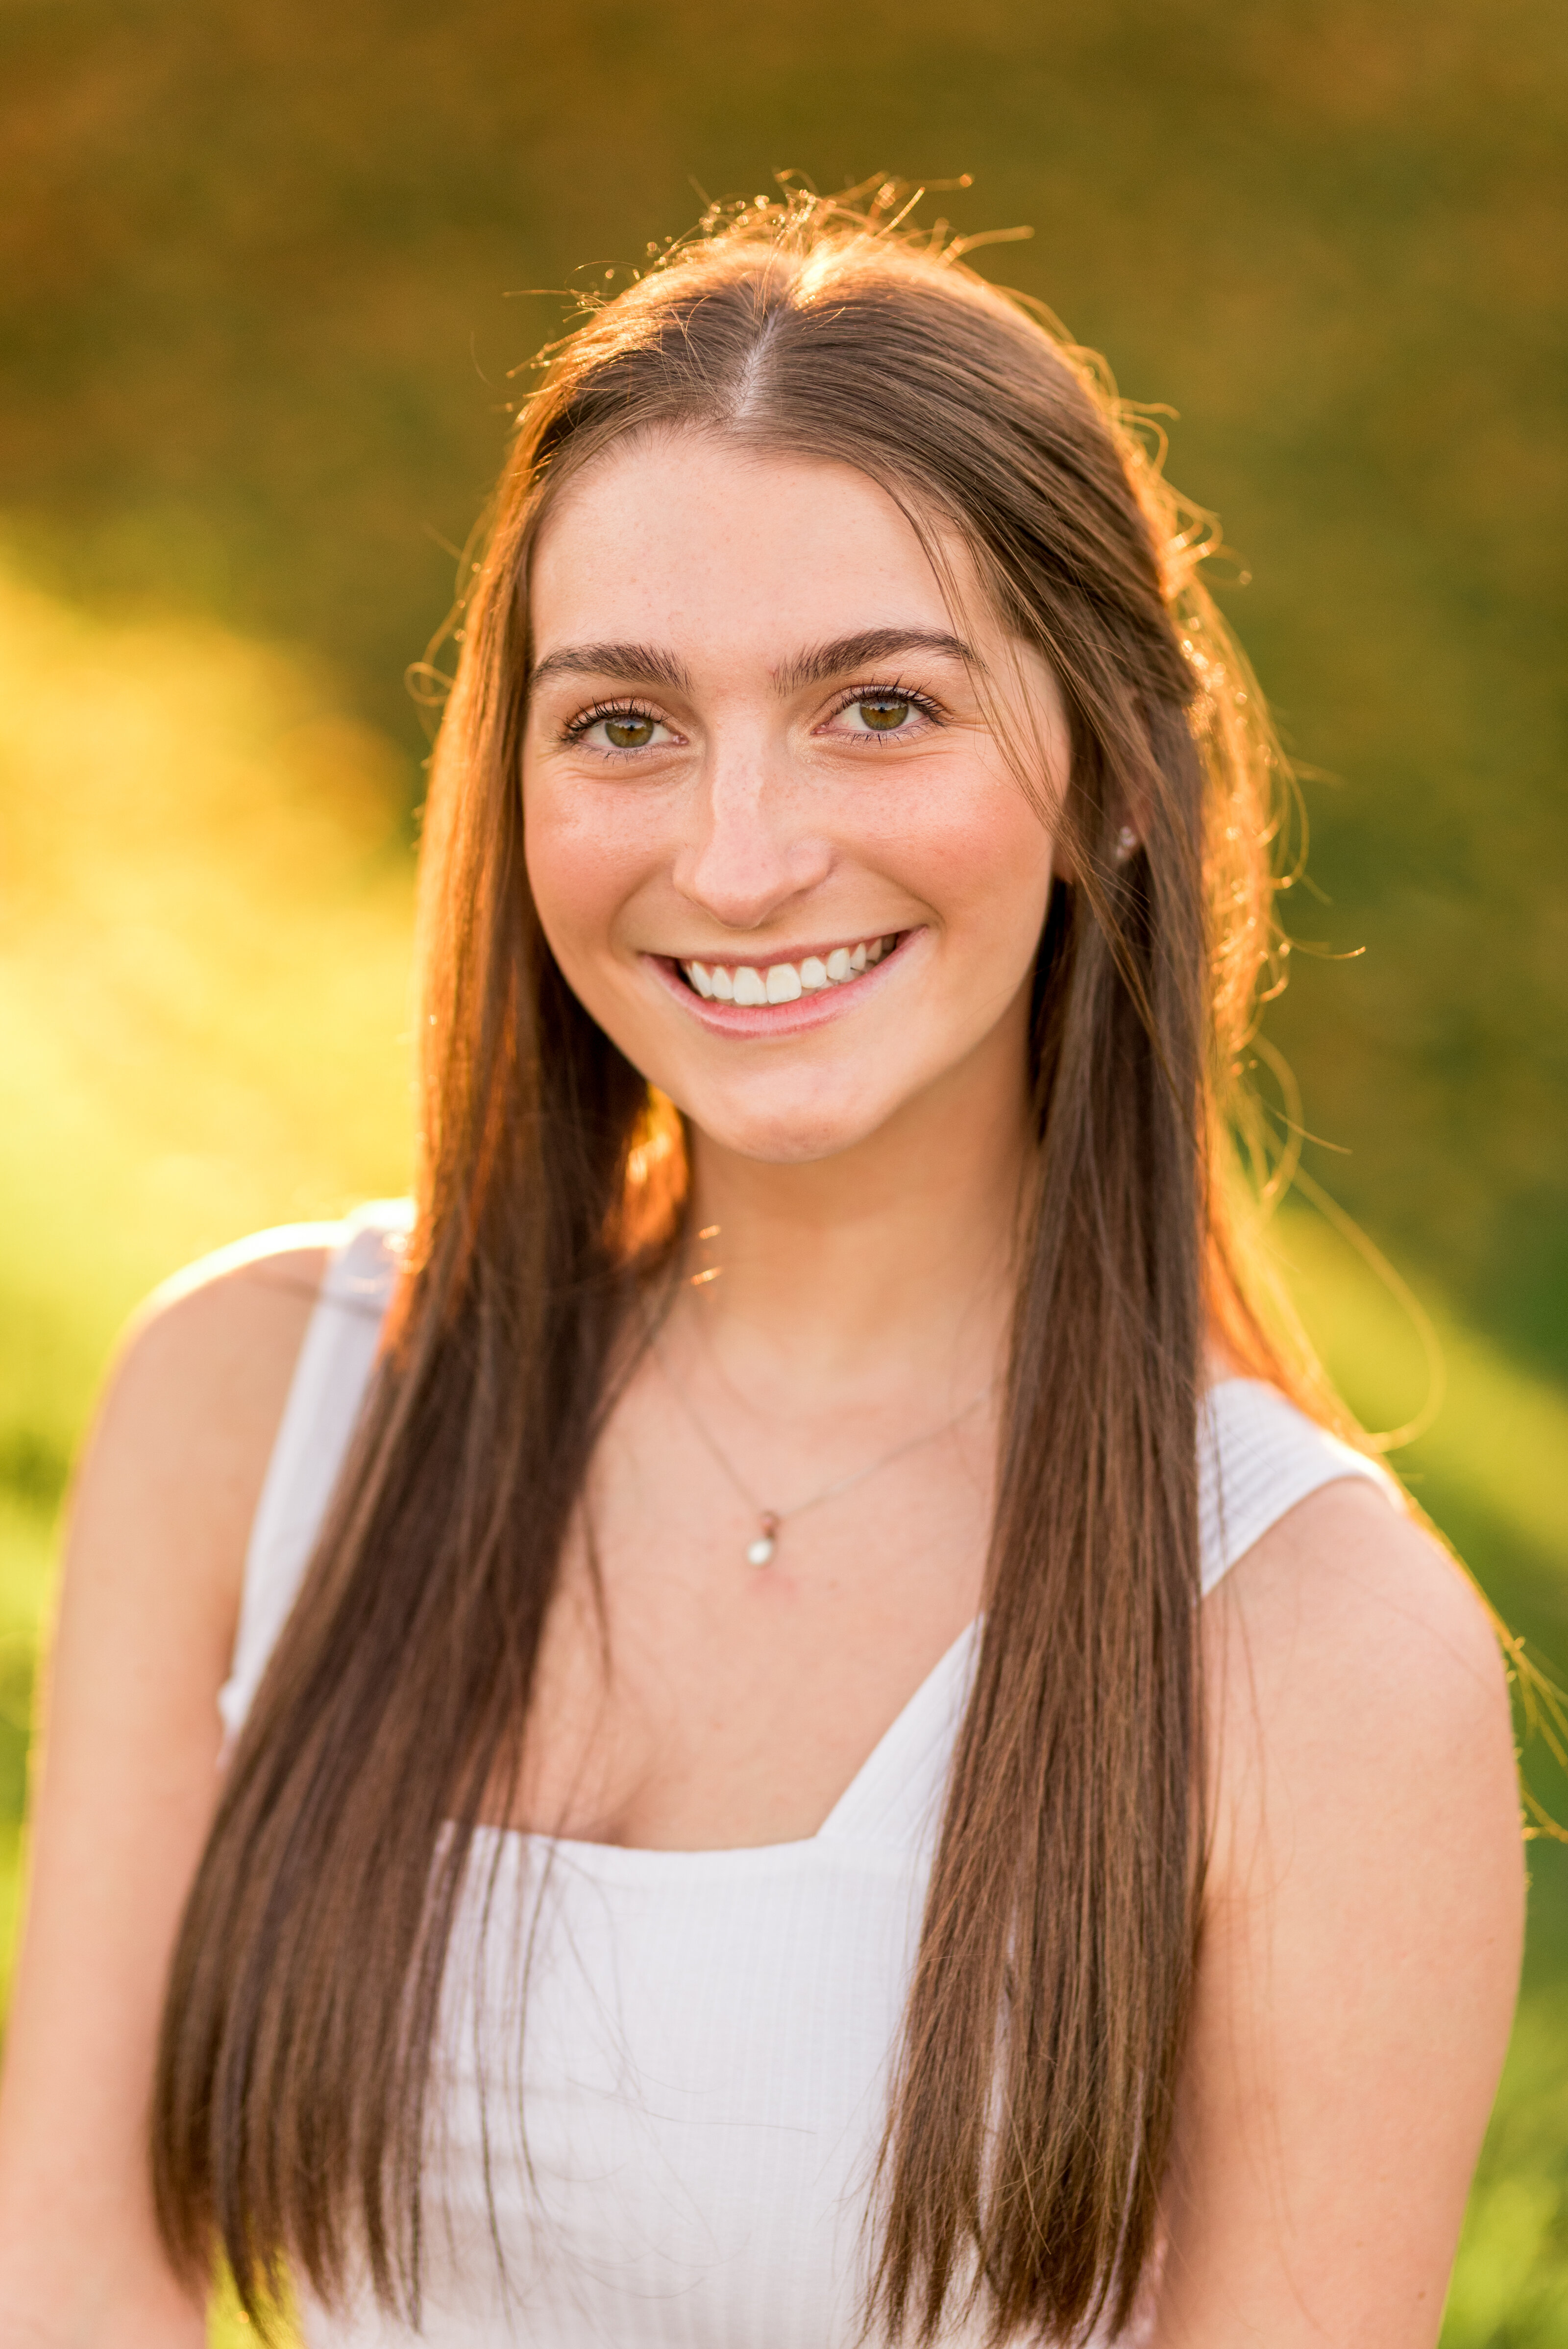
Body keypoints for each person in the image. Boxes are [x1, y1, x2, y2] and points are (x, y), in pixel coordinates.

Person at [0, 188, 1523, 2349]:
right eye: (622, 723)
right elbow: (66, 2268)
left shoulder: (1309, 1645)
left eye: (876, 708)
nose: (733, 854)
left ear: (1103, 769)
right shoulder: (252, 1405)